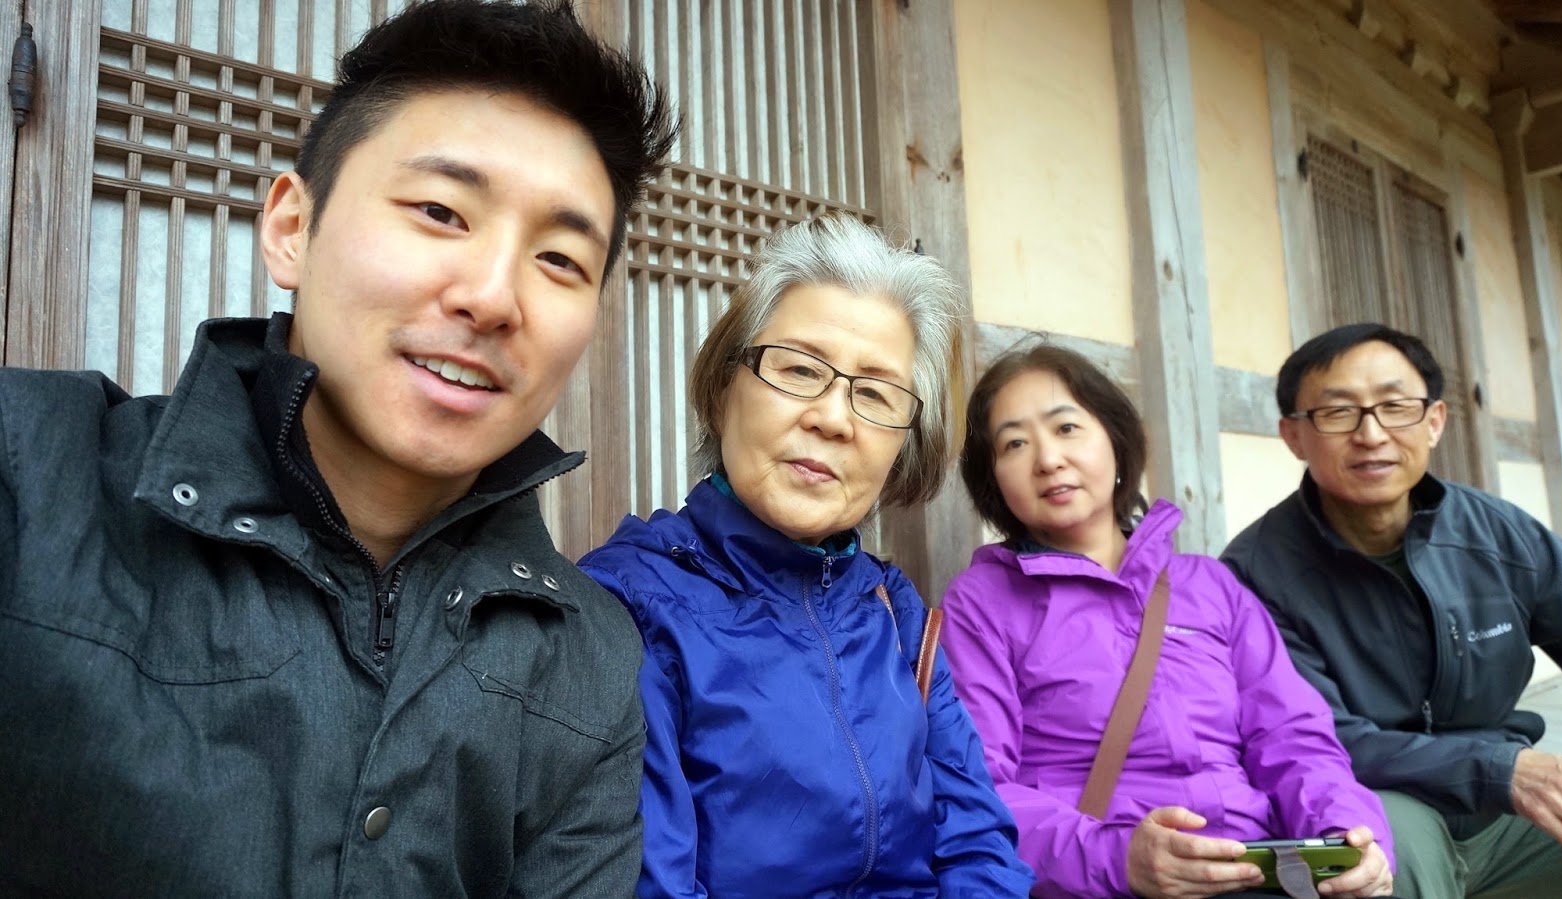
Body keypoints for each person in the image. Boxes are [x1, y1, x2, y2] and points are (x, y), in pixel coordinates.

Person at [0, 2, 677, 895]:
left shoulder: (590, 656)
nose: (492, 296)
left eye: (559, 259)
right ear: (292, 228)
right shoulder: (31, 478)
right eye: (440, 210)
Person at [578, 213, 1034, 898]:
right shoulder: (628, 603)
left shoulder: (897, 613)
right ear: (725, 391)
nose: (833, 417)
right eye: (798, 369)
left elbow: (977, 841)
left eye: (875, 393)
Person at [941, 343, 1396, 899]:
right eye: (1014, 443)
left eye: (1066, 428)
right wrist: (1117, 859)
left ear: (1115, 439)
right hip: (1099, 884)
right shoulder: (982, 603)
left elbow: (1293, 737)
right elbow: (975, 785)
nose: (1048, 459)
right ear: (993, 479)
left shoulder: (1209, 585)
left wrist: (1347, 835)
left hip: (1259, 870)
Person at [1222, 322, 1562, 898]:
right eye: (1338, 413)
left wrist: (1508, 772)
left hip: (1507, 807)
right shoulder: (1254, 573)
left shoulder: (1496, 533)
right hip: (1378, 803)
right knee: (1373, 846)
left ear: (1435, 421)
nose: (1371, 434)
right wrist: (1496, 769)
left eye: (1395, 407)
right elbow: (1322, 740)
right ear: (1294, 436)